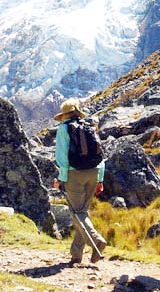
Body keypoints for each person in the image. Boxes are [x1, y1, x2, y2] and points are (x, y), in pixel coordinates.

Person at [52, 98, 107, 265]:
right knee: (82, 213)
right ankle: (76, 255)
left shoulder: (63, 129)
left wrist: (61, 179)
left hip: (75, 174)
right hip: (94, 172)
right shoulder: (89, 127)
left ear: (65, 115)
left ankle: (96, 241)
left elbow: (61, 156)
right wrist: (100, 179)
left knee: (77, 214)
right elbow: (100, 154)